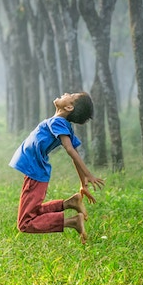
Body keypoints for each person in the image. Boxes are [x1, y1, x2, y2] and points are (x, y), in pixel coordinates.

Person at [9, 92, 104, 244]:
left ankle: (72, 222)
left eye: (70, 95)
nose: (66, 93)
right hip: (35, 171)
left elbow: (70, 149)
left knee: (25, 223)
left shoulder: (58, 122)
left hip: (35, 172)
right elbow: (74, 151)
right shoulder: (61, 124)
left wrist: (88, 174)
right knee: (33, 212)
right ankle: (69, 203)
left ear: (69, 106)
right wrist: (83, 183)